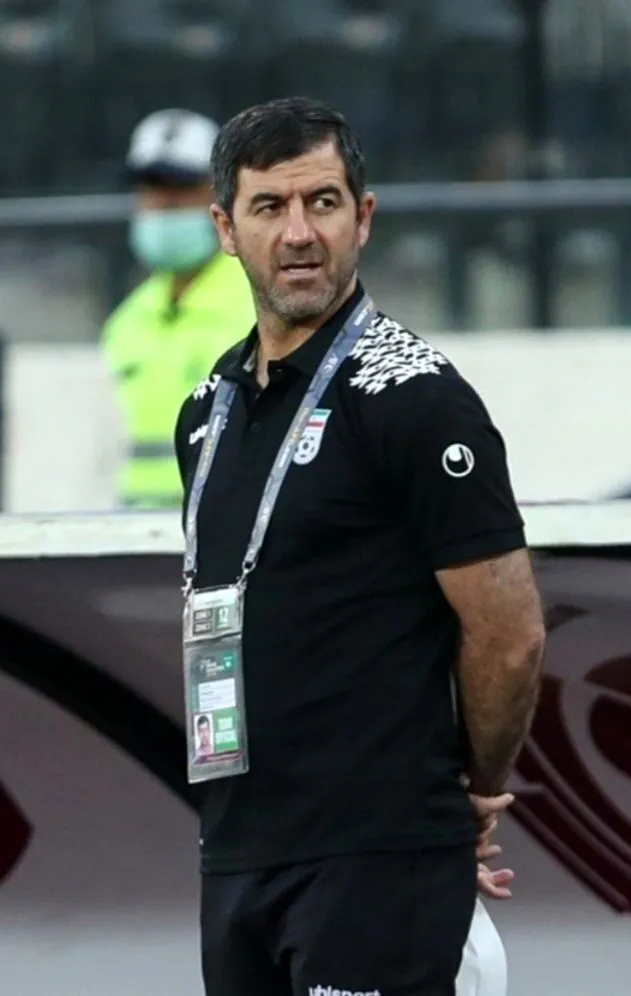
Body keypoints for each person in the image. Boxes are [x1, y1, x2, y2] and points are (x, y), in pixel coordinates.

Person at [174, 96, 545, 996]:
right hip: (240, 847)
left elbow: (509, 634)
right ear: (225, 229)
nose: (300, 234)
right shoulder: (207, 409)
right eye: (270, 207)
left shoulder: (418, 398)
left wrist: (472, 790)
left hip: (377, 853)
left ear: (364, 217)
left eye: (324, 203)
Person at [101, 108, 255, 509]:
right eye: (151, 188)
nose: (163, 203)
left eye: (182, 187)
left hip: (228, 534)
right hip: (132, 533)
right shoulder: (127, 322)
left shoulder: (264, 308)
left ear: (223, 198)